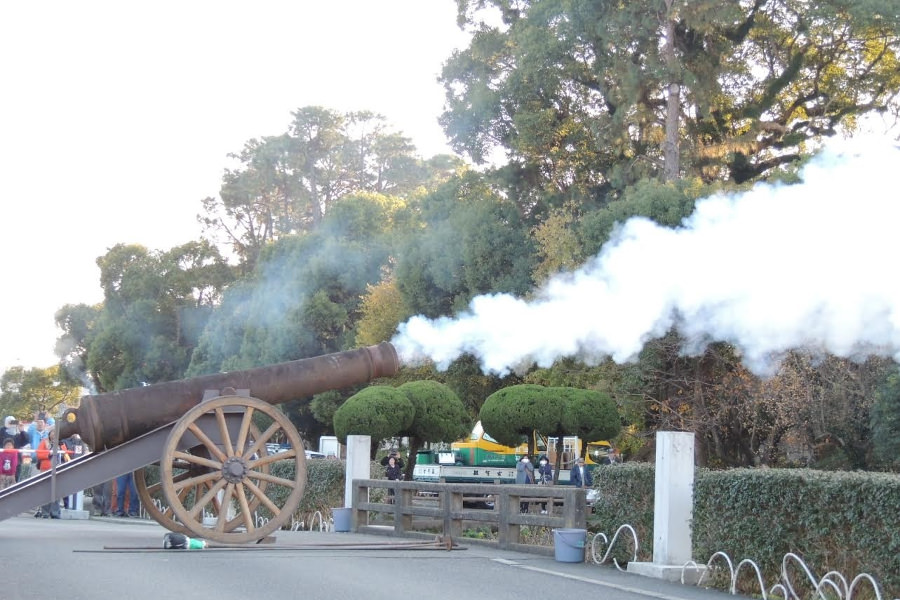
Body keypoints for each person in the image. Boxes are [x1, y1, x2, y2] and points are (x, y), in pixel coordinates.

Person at [35, 427, 68, 518]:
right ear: (49, 434)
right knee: (46, 492)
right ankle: (45, 512)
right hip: (46, 470)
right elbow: (39, 454)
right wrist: (48, 453)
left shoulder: (61, 443)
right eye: (52, 432)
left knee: (56, 492)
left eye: (55, 432)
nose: (53, 434)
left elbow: (66, 455)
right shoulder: (44, 442)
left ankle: (55, 513)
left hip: (58, 470)